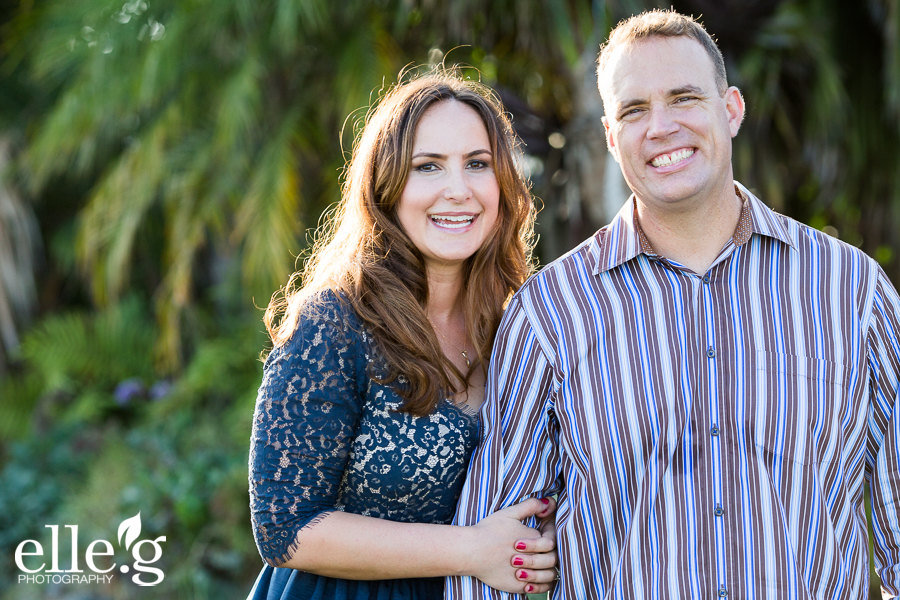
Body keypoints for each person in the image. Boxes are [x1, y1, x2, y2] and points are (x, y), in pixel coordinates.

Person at [446, 8, 900, 599]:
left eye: (684, 98)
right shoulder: (551, 313)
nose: (661, 127)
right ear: (612, 136)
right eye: (634, 110)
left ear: (731, 110)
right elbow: (497, 554)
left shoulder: (852, 293)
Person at [247, 68, 560, 600]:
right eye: (428, 167)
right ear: (387, 186)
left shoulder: (514, 325)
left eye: (477, 164)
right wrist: (471, 550)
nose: (458, 190)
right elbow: (284, 528)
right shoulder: (334, 324)